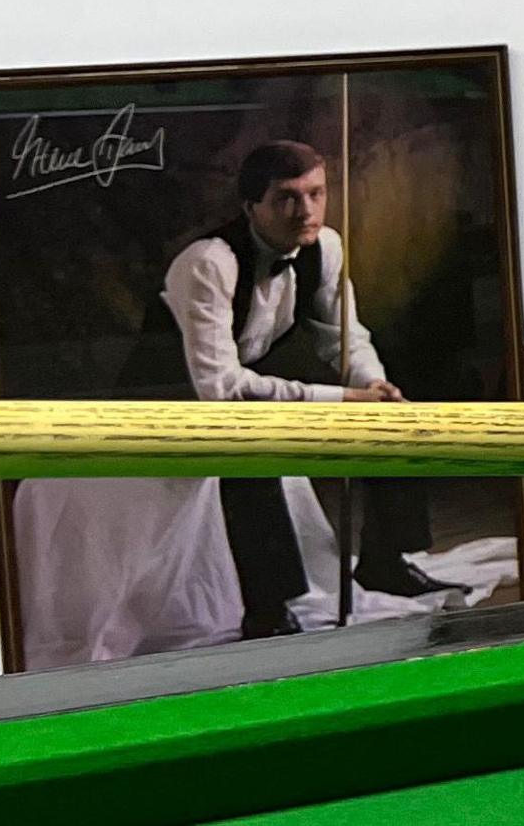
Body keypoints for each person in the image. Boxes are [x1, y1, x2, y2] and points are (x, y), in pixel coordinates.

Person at [144, 141, 449, 637]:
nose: (305, 210)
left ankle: (384, 561)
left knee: (394, 415)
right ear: (251, 207)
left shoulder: (323, 246)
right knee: (251, 451)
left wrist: (371, 382)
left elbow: (344, 337)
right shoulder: (209, 263)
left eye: (316, 193)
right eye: (287, 197)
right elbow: (218, 385)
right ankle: (266, 609)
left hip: (240, 389)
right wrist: (340, 399)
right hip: (167, 398)